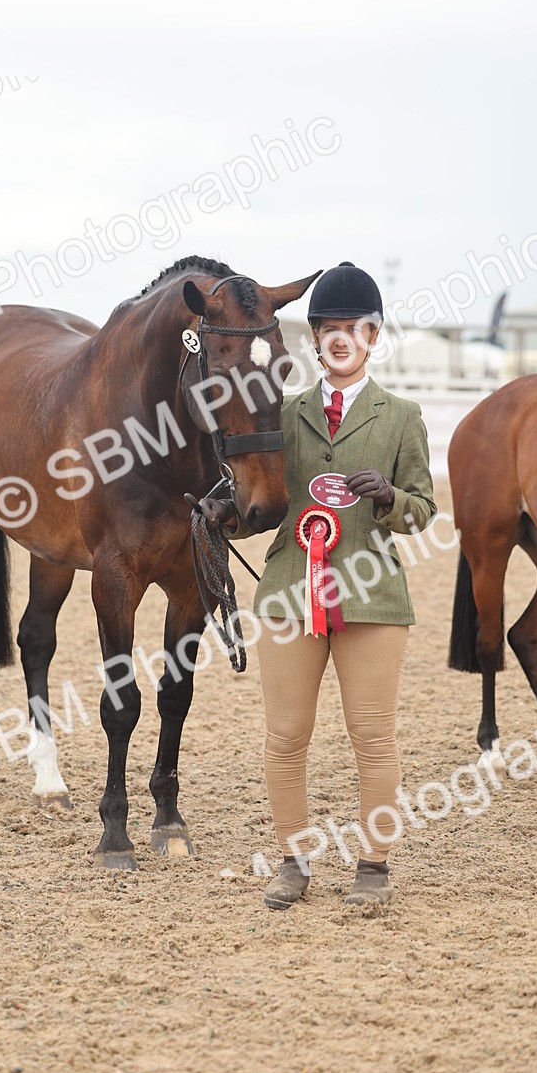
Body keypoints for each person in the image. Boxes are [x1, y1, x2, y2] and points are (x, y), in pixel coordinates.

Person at [200, 262, 436, 908]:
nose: (338, 338)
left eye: (351, 328)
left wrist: (389, 497)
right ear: (315, 338)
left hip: (371, 597)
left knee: (373, 736)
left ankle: (374, 865)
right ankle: (292, 861)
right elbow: (263, 503)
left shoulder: (402, 417)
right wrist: (227, 518)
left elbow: (422, 508)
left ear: (372, 336)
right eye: (327, 328)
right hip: (288, 592)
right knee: (285, 737)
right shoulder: (282, 412)